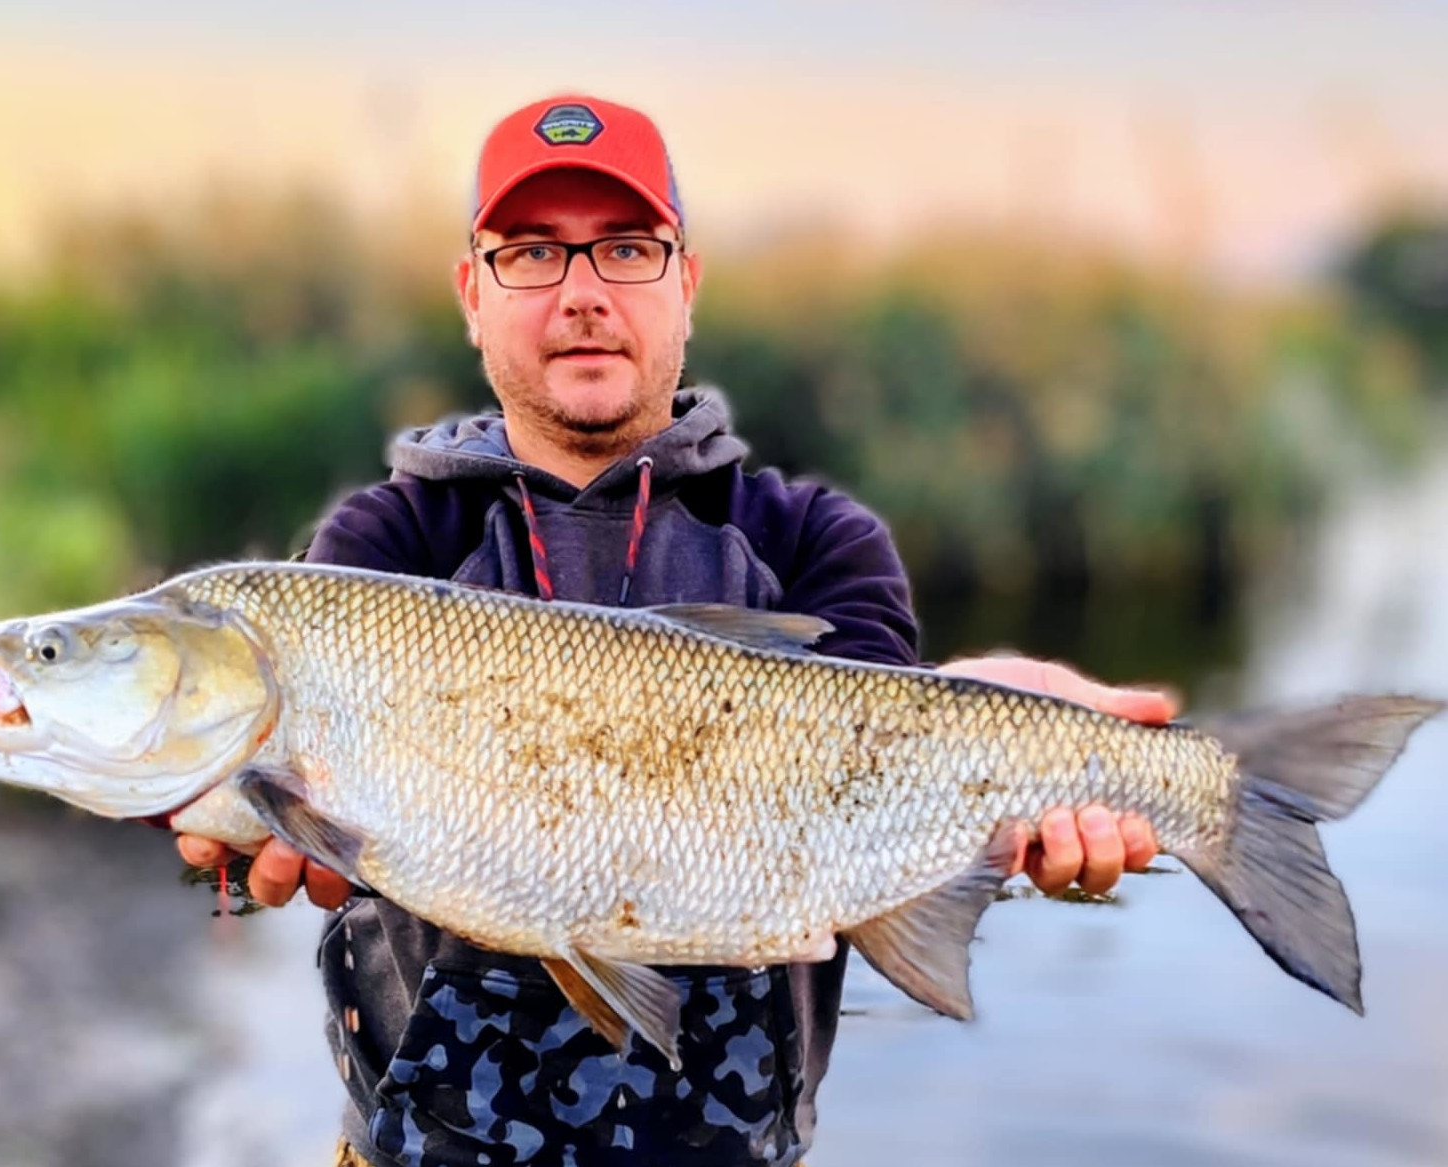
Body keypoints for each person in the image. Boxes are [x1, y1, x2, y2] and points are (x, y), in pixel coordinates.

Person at [178, 95, 1171, 1167]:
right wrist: (204, 835)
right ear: (472, 294)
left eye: (624, 248)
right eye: (531, 254)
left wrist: (1012, 737)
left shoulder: (808, 540)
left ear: (683, 284)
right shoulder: (391, 540)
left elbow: (878, 776)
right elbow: (240, 776)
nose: (583, 293)